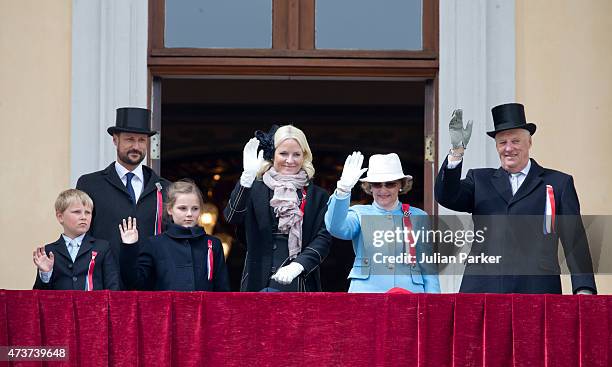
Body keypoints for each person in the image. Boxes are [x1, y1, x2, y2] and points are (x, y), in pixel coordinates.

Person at [435, 103, 596, 294]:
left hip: (537, 289)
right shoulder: (479, 180)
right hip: (483, 288)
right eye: (502, 142)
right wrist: (456, 152)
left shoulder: (558, 183)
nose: (508, 148)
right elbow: (447, 197)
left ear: (529, 143)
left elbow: (574, 240)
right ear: (496, 146)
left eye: (515, 141)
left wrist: (584, 288)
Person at [224, 125, 332, 292]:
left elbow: (323, 238)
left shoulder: (318, 196)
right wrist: (246, 180)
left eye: (296, 154)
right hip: (257, 278)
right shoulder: (255, 188)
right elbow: (232, 217)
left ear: (304, 157)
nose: (290, 160)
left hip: (299, 281)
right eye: (283, 153)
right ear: (272, 155)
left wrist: (299, 265)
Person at [325, 152, 440, 293]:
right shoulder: (359, 213)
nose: (383, 190)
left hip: (411, 293)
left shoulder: (418, 216)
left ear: (401, 185)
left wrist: (434, 305)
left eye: (390, 184)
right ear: (370, 187)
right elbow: (335, 227)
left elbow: (428, 267)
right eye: (377, 184)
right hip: (367, 293)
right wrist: (343, 190)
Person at [76, 107, 169, 265]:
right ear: (115, 140)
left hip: (151, 283)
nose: (136, 147)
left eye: (141, 140)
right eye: (129, 139)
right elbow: (81, 236)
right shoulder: (90, 184)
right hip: (105, 281)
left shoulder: (165, 188)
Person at [119, 180, 229, 291]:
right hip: (165, 308)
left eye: (195, 208)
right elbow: (135, 283)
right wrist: (129, 247)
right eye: (182, 208)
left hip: (204, 308)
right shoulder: (155, 244)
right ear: (170, 209)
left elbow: (222, 290)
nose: (189, 214)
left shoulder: (213, 244)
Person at [33, 189, 120, 290]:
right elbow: (38, 295)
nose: (83, 217)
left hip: (94, 305)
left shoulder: (102, 247)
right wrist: (45, 273)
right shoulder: (49, 251)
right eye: (77, 212)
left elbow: (113, 288)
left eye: (88, 212)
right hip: (61, 305)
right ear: (60, 217)